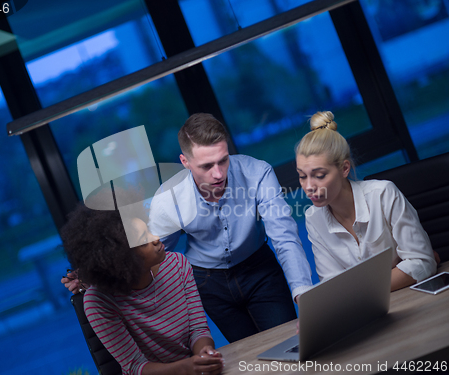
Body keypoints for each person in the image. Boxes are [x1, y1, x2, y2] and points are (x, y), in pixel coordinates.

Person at [145, 113, 313, 343]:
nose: (218, 173)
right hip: (208, 283)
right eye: (206, 165)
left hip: (260, 270)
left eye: (223, 160)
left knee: (290, 345)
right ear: (185, 162)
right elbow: (151, 254)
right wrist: (97, 276)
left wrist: (304, 296)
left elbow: (284, 235)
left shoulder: (257, 173)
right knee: (252, 359)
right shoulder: (167, 199)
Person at [61, 203, 223, 375]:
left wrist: (203, 355)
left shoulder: (178, 264)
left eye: (149, 229)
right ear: (120, 258)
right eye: (143, 240)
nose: (156, 238)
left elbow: (197, 329)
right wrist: (186, 367)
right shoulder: (99, 302)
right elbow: (135, 366)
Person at [295, 110, 438, 291]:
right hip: (366, 311)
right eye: (302, 176)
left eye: (319, 175)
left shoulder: (383, 193)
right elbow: (332, 287)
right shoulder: (313, 217)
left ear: (344, 168)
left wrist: (355, 289)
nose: (308, 186)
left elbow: (423, 262)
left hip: (410, 299)